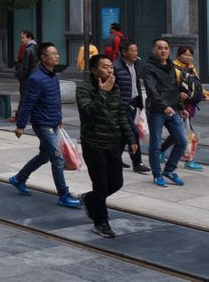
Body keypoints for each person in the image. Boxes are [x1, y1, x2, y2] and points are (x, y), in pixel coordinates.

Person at [9, 43, 82, 208]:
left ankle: (19, 178)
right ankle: (63, 195)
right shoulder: (36, 79)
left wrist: (59, 117)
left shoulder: (53, 76)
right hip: (42, 124)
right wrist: (20, 125)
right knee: (57, 158)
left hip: (53, 121)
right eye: (53, 54)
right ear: (43, 57)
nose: (57, 56)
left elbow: (55, 100)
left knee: (44, 156)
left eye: (57, 53)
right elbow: (28, 103)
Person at [76, 54, 138, 239]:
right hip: (93, 143)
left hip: (113, 142)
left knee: (116, 182)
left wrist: (131, 139)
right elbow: (88, 113)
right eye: (105, 67)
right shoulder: (84, 88)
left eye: (111, 67)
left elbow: (121, 116)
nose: (110, 70)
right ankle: (101, 222)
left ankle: (89, 198)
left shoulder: (115, 89)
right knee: (101, 185)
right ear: (94, 70)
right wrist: (102, 92)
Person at [143, 38, 187, 186]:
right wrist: (164, 106)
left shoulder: (171, 66)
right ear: (153, 50)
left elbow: (175, 88)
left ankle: (169, 170)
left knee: (181, 141)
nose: (163, 51)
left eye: (166, 48)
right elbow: (152, 90)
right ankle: (157, 175)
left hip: (173, 109)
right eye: (160, 48)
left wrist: (181, 107)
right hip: (157, 110)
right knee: (155, 144)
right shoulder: (149, 67)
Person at [162, 45, 203, 171]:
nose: (188, 57)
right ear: (178, 55)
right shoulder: (173, 67)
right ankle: (188, 159)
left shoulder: (191, 68)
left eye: (190, 55)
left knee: (180, 131)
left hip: (188, 104)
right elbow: (169, 85)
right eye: (185, 54)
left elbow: (197, 84)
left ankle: (161, 151)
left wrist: (204, 94)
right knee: (185, 132)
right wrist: (178, 93)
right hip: (177, 104)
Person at [113, 39, 150, 173]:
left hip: (133, 103)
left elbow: (136, 84)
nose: (136, 53)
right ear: (124, 52)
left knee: (124, 134)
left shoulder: (134, 64)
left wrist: (140, 101)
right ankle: (137, 163)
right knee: (133, 133)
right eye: (133, 50)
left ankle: (115, 158)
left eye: (136, 50)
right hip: (123, 105)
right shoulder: (115, 66)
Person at [13, 30, 39, 123]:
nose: (22, 40)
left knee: (24, 97)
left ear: (29, 37)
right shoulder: (36, 47)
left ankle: (20, 117)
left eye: (23, 38)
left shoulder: (28, 49)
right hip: (35, 76)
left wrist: (23, 79)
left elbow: (26, 66)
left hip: (28, 77)